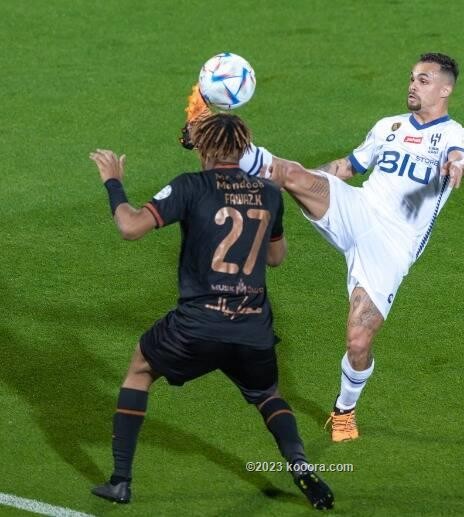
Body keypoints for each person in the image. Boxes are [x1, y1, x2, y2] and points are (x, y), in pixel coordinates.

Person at [180, 52, 464, 443]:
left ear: (445, 89)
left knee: (358, 340)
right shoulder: (389, 126)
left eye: (422, 80)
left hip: (391, 246)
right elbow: (348, 167)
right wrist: (307, 179)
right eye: (412, 78)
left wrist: (455, 166)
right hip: (357, 208)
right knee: (290, 174)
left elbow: (459, 157)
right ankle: (207, 133)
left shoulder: (455, 135)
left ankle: (344, 410)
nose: (412, 85)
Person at [89, 113, 334, 510]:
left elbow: (130, 227)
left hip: (197, 326)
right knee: (267, 394)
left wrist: (113, 183)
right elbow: (276, 257)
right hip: (252, 327)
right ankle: (302, 467)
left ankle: (120, 480)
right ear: (244, 148)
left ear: (202, 147)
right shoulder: (269, 192)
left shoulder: (190, 187)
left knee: (140, 368)